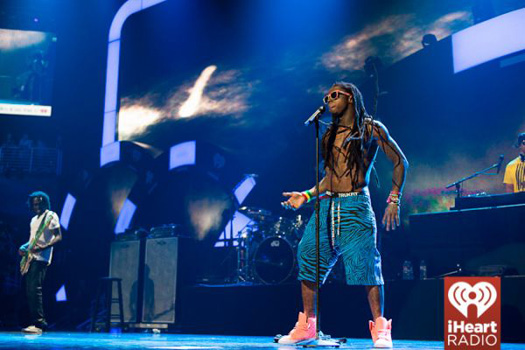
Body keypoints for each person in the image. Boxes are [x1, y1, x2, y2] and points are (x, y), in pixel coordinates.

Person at [279, 82, 408, 347]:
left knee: (366, 267)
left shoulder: (371, 128)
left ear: (350, 98)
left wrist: (394, 198)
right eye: (326, 97)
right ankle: (307, 327)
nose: (328, 100)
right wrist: (305, 195)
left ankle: (381, 329)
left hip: (356, 206)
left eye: (334, 95)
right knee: (307, 255)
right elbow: (329, 178)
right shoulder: (329, 134)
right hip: (327, 206)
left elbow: (399, 161)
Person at [18, 191, 61, 334]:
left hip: (41, 258)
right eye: (34, 204)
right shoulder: (33, 220)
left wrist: (45, 246)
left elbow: (58, 236)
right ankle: (35, 323)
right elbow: (32, 241)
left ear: (45, 203)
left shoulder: (51, 216)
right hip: (31, 258)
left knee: (35, 290)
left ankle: (40, 324)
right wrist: (23, 247)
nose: (37, 206)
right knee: (30, 291)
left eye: (39, 203)